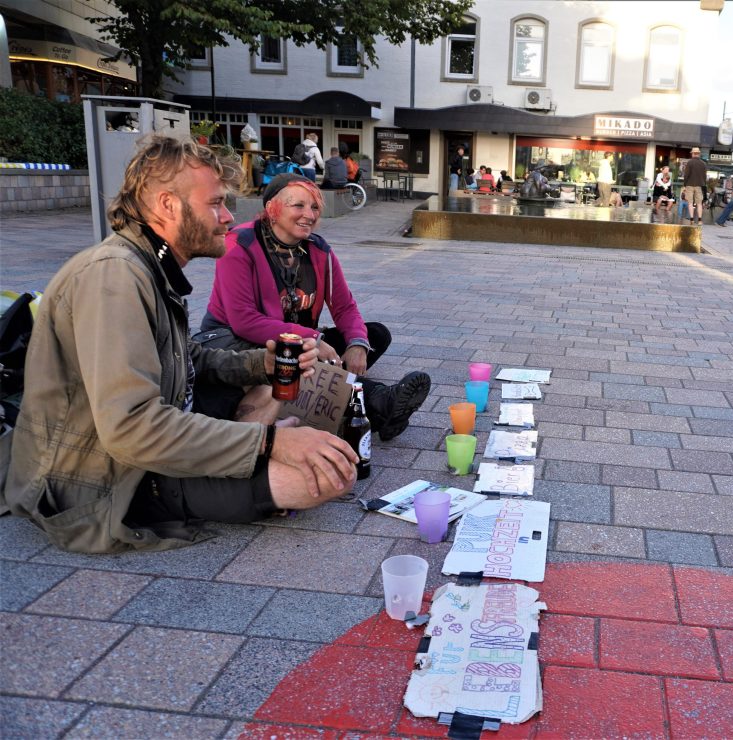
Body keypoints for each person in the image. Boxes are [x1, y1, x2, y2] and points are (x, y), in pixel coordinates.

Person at [1, 136, 360, 554]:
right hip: (105, 479)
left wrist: (259, 365)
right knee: (323, 479)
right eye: (215, 204)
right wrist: (269, 443)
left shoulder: (149, 267)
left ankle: (244, 446)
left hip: (156, 436)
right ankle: (245, 452)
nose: (227, 217)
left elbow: (189, 358)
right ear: (168, 205)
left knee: (277, 387)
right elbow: (131, 428)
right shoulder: (114, 278)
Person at [201, 173, 431, 439]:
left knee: (375, 335)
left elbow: (344, 307)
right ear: (272, 209)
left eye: (314, 207)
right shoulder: (240, 243)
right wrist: (313, 338)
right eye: (298, 206)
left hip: (299, 342)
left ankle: (367, 409)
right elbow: (244, 320)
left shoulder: (318, 249)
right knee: (298, 356)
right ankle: (378, 401)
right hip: (235, 342)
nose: (308, 214)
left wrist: (357, 343)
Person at [682, 147, 708, 223]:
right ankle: (700, 220)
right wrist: (703, 184)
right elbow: (704, 176)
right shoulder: (703, 163)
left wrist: (684, 184)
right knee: (699, 203)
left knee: (690, 203)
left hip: (689, 184)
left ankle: (692, 219)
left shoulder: (689, 162)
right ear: (699, 154)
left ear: (693, 153)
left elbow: (686, 174)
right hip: (699, 185)